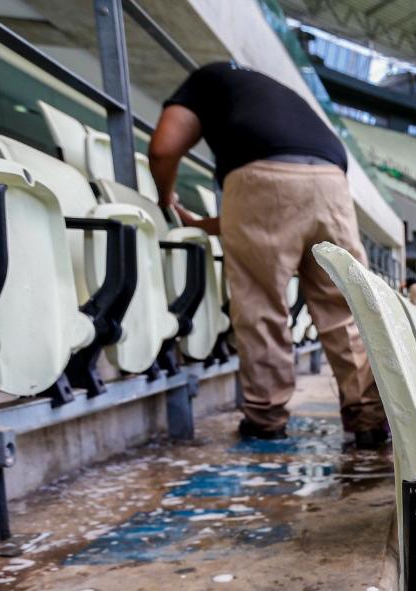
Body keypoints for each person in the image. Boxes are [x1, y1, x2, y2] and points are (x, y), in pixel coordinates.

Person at [149, 61, 388, 448]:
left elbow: (163, 149)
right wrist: (208, 221)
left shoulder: (203, 81)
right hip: (332, 181)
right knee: (344, 309)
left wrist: (164, 199)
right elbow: (278, 205)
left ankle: (266, 418)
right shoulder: (267, 93)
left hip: (260, 172)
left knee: (262, 303)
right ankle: (370, 420)